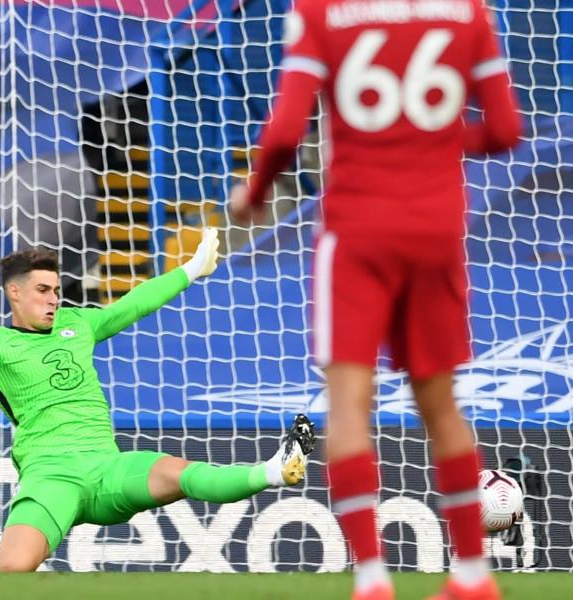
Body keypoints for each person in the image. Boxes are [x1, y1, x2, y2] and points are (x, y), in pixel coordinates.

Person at [229, 0, 521, 596]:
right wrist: (431, 137)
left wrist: (254, 192)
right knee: (441, 406)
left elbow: (287, 130)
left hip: (358, 231)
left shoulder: (320, 12)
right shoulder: (468, 13)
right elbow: (506, 130)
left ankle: (371, 580)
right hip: (437, 230)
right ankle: (472, 575)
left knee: (348, 405)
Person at [0, 229, 317, 573]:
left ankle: (275, 470)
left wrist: (191, 269)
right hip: (50, 476)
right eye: (43, 290)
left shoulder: (79, 323)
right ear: (14, 293)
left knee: (181, 473)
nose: (54, 299)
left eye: (57, 289)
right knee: (14, 566)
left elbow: (135, 303)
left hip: (107, 468)